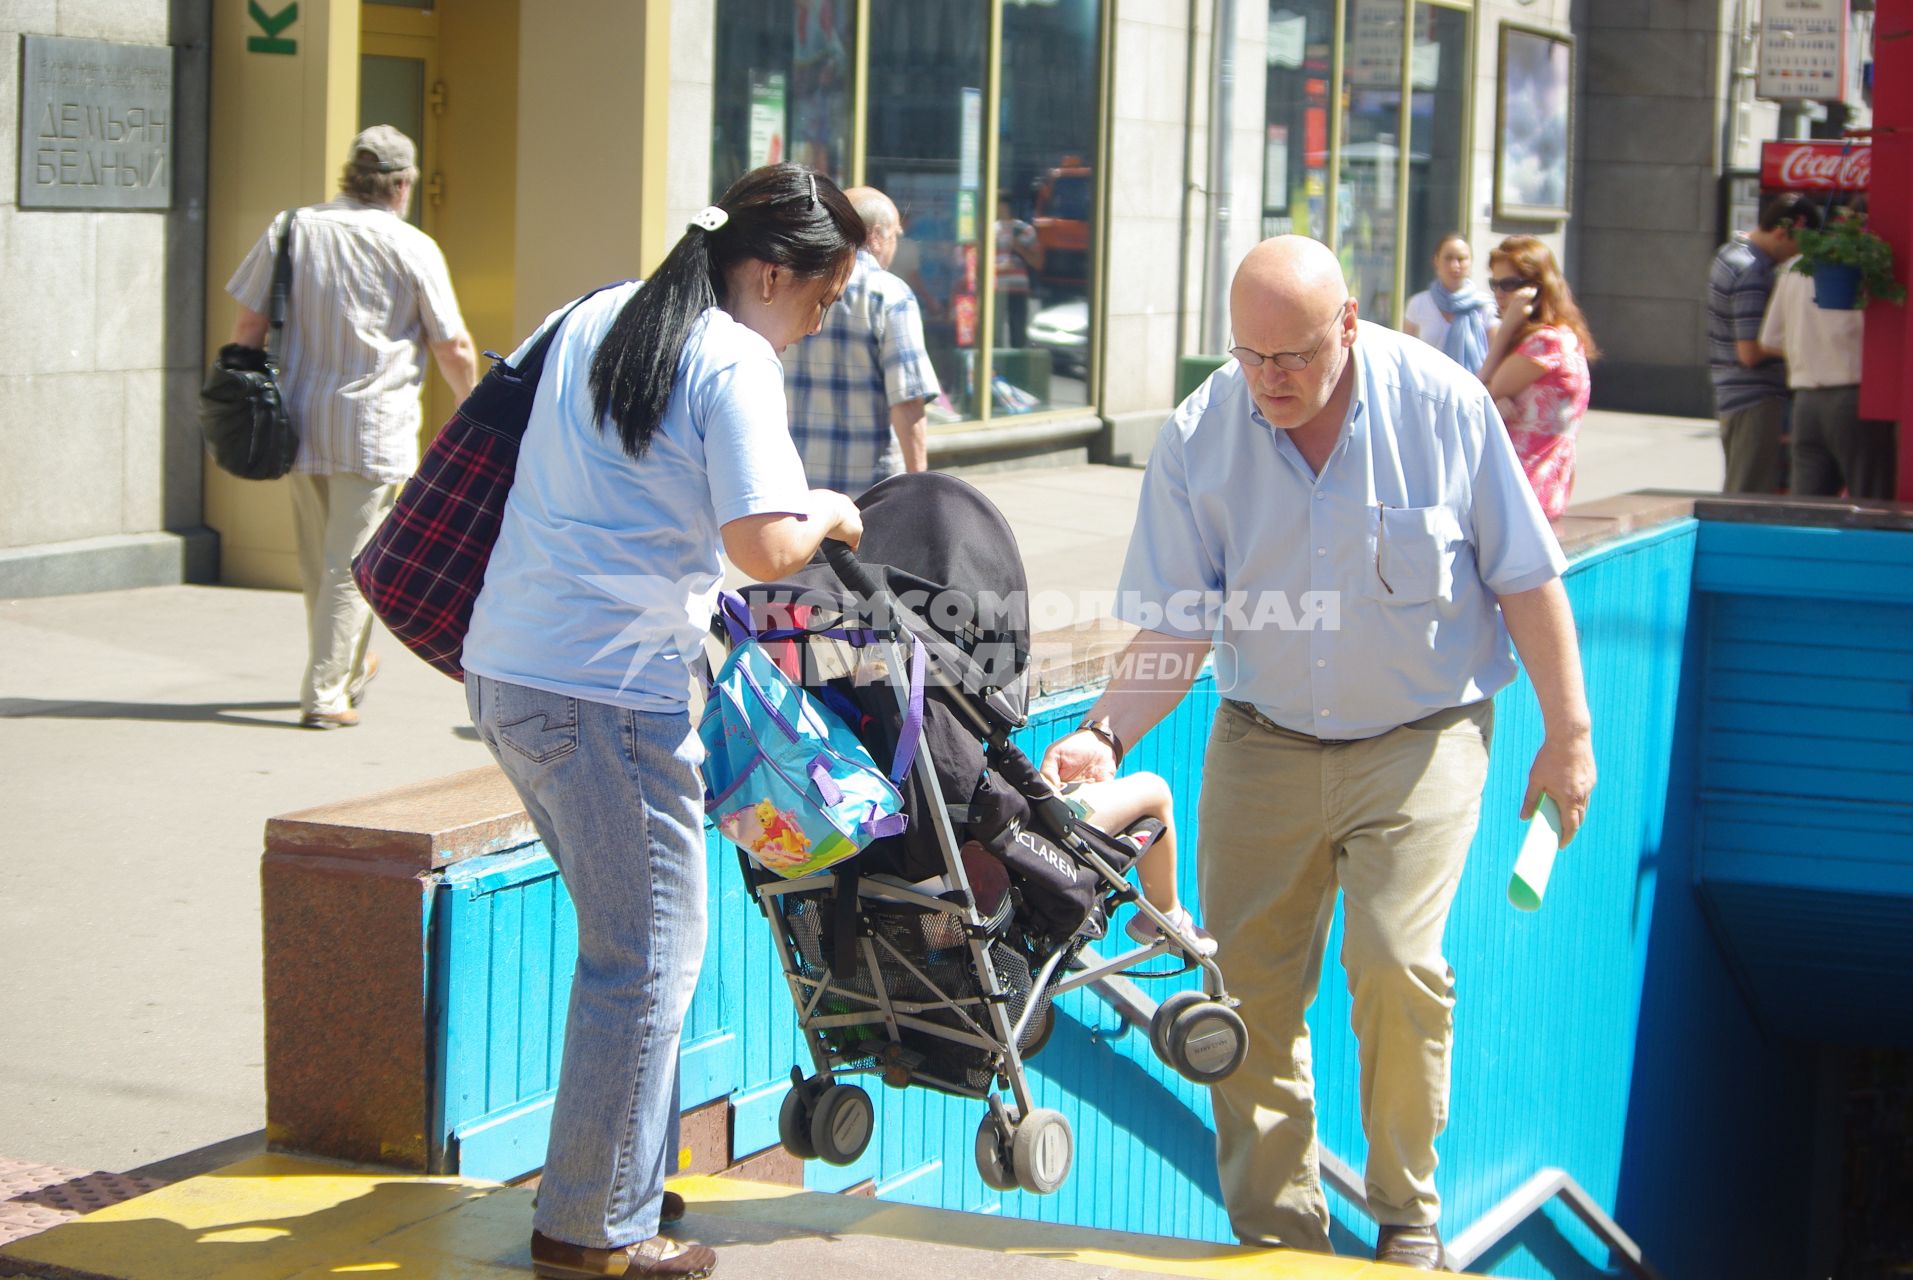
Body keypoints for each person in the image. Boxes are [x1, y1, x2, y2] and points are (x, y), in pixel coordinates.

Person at [1040, 237, 1594, 1270]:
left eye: (1289, 355)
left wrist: (1568, 735)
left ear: (1347, 324)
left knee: (1393, 959)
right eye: (1248, 356)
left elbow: (1524, 575)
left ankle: (1403, 1213)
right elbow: (1174, 622)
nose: (1268, 381)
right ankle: (1280, 1239)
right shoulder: (1205, 428)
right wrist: (1102, 733)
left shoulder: (1440, 404)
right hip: (1263, 738)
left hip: (1419, 735)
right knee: (1239, 992)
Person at [459, 163, 866, 1280]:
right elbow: (766, 546)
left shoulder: (595, 313)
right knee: (646, 957)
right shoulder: (730, 356)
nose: (812, 327)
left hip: (509, 672)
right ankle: (592, 1230)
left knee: (629, 945)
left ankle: (615, 1177)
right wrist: (832, 508)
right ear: (770, 272)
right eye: (819, 303)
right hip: (607, 695)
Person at [225, 124, 478, 730]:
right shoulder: (412, 245)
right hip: (373, 423)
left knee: (321, 561)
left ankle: (345, 663)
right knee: (348, 564)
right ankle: (326, 692)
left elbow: (246, 330)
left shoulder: (292, 229)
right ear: (402, 184)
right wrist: (469, 408)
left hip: (297, 418)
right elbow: (455, 346)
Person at [782, 186, 941, 494]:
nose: (895, 245)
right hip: (864, 498)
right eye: (896, 235)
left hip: (793, 493)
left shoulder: (791, 287)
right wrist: (919, 488)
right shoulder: (889, 295)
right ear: (876, 236)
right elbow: (908, 402)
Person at [1758, 211, 1899, 499]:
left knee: (1806, 509)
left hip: (1806, 402)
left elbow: (1769, 340)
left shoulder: (1795, 267)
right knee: (1870, 504)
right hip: (1855, 398)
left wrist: (1808, 350)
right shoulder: (1872, 268)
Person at [1707, 192, 1821, 494]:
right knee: (1748, 494)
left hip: (1730, 392)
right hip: (1754, 398)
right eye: (1799, 245)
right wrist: (1801, 350)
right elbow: (1750, 351)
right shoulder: (1753, 272)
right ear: (1784, 232)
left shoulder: (1729, 253)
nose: (1797, 255)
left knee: (1740, 487)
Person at [1476, 237, 1596, 520]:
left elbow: (1476, 394)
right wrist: (1496, 398)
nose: (1499, 294)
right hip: (1543, 491)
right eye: (1494, 284)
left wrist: (1505, 330)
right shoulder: (1568, 337)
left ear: (1537, 288)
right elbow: (1489, 395)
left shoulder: (1546, 343)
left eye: (1509, 285)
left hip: (1520, 492)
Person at [1058, 772, 1215, 956]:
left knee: (1079, 782)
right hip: (1038, 836)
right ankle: (1166, 915)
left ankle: (1166, 915)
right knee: (1155, 790)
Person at [1402, 233, 1493, 373]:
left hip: (1472, 385)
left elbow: (1495, 356)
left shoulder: (1485, 306)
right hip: (1428, 387)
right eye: (1448, 258)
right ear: (1436, 261)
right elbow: (1405, 353)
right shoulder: (1418, 303)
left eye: (1461, 259)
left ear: (1471, 262)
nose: (1454, 265)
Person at [994, 195, 1042, 349]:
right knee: (994, 332)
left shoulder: (1025, 230)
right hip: (996, 287)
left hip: (1018, 287)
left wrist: (1018, 247)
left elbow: (1037, 261)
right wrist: (998, 267)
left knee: (1018, 332)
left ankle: (1017, 366)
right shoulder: (990, 230)